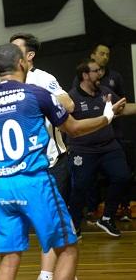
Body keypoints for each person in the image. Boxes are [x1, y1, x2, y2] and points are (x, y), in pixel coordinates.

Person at [0, 43, 116, 280]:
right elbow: (73, 129)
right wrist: (106, 118)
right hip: (33, 182)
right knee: (69, 249)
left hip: (0, 187)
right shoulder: (35, 93)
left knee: (9, 259)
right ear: (22, 63)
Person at [10, 33, 74, 280]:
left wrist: (40, 102)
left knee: (51, 222)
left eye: (16, 48)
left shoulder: (42, 79)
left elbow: (69, 104)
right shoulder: (9, 81)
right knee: (38, 224)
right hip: (25, 167)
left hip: (52, 162)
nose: (10, 52)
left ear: (29, 56)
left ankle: (46, 274)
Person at [67, 58, 136, 238]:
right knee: (80, 188)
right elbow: (66, 124)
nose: (100, 74)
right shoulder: (72, 97)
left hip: (109, 147)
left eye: (101, 70)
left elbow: (121, 109)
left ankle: (106, 217)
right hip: (83, 150)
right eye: (96, 71)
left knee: (122, 177)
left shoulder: (105, 92)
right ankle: (74, 225)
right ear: (84, 75)